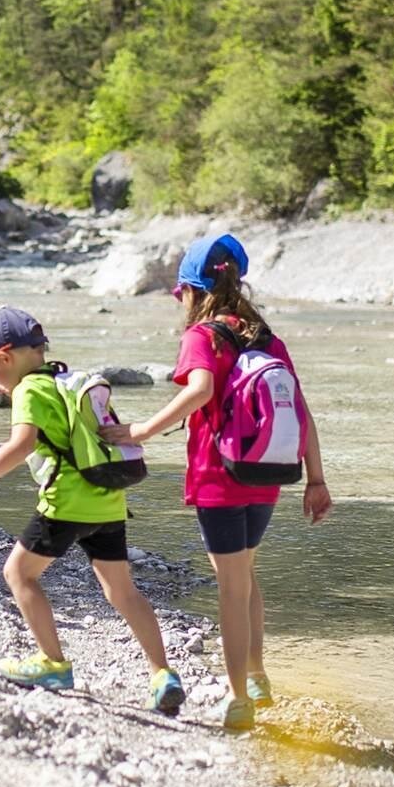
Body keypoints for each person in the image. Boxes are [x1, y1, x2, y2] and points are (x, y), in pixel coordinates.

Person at [0, 305, 185, 715]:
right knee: (121, 591)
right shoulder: (61, 379)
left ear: (6, 356)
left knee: (18, 573)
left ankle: (52, 663)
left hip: (65, 504)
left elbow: (22, 446)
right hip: (107, 501)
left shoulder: (30, 389)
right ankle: (162, 673)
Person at [126, 233, 332, 734]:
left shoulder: (203, 336)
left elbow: (201, 390)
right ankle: (257, 675)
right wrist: (317, 480)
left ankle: (238, 698)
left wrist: (141, 431)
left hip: (219, 478)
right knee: (246, 575)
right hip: (269, 475)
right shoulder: (266, 337)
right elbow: (300, 411)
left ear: (192, 291)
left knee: (230, 589)